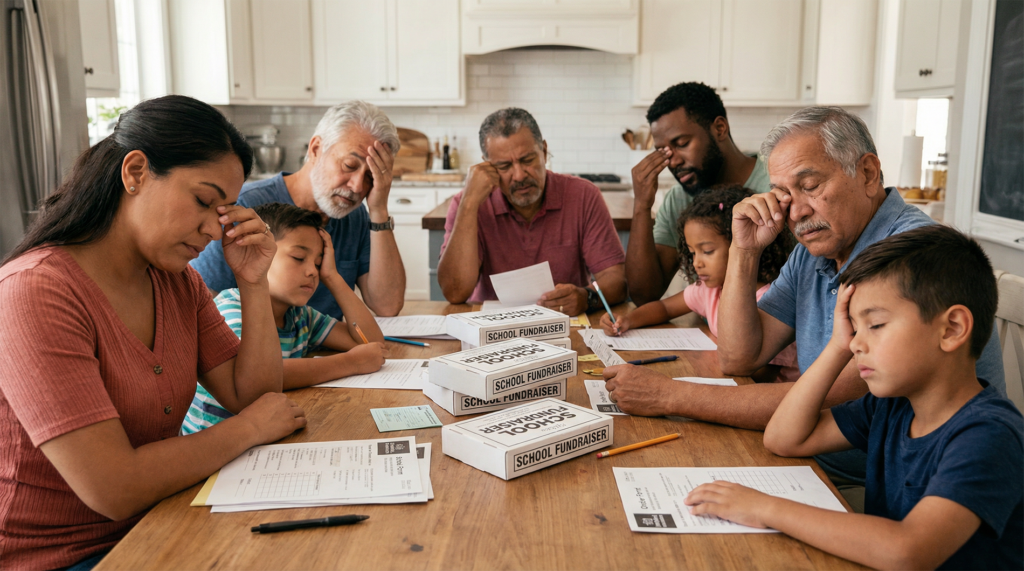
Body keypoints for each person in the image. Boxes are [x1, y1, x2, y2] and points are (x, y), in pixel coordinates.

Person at [602, 106, 1005, 485]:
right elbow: (738, 356)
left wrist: (669, 395)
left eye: (809, 186)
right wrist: (744, 249)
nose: (794, 212)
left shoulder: (910, 256)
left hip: (883, 485)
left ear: (867, 173)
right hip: (807, 455)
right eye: (782, 194)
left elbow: (839, 392)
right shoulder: (817, 249)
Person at [0, 96, 306, 571]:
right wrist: (247, 431)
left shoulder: (177, 281)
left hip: (156, 524)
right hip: (55, 558)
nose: (211, 229)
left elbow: (256, 396)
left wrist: (253, 281)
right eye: (203, 201)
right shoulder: (35, 291)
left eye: (223, 212)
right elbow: (114, 487)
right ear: (136, 172)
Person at [684, 226, 1024, 570]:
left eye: (875, 325)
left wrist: (764, 508)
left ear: (951, 329)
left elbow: (907, 551)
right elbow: (783, 438)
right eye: (854, 329)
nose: (856, 344)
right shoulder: (893, 405)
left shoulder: (989, 435)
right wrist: (835, 346)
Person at [182, 202, 387, 435]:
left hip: (264, 440)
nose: (312, 271)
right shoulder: (231, 307)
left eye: (318, 263)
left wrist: (333, 277)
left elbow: (370, 343)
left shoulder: (301, 316)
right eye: (299, 258)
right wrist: (351, 362)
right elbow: (263, 377)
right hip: (217, 448)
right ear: (260, 251)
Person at [190, 100, 406, 318]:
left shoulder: (354, 216)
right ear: (315, 149)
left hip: (327, 345)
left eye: (371, 176)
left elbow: (387, 306)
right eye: (349, 166)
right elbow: (201, 302)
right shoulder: (245, 207)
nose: (358, 186)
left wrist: (378, 210)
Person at [437, 107, 626, 316]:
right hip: (493, 329)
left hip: (566, 324)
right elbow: (454, 293)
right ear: (487, 166)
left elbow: (617, 279)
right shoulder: (467, 204)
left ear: (544, 152)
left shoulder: (583, 196)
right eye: (504, 166)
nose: (519, 176)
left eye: (527, 160)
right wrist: (470, 204)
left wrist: (587, 297)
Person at [600, 185, 798, 382]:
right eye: (693, 252)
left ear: (740, 243)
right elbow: (664, 308)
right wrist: (628, 321)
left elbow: (763, 375)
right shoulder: (710, 291)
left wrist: (706, 363)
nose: (697, 263)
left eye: (708, 251)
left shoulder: (771, 301)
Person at [627, 82, 772, 306]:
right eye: (663, 152)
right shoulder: (678, 200)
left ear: (720, 128)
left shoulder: (775, 183)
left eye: (682, 143)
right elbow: (644, 295)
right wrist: (642, 206)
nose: (672, 161)